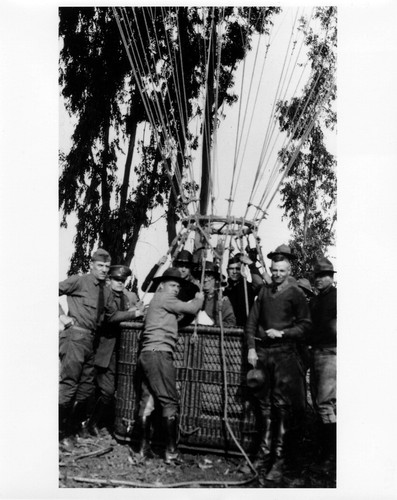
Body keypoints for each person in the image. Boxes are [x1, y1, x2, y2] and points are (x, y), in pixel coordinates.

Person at [58, 249, 143, 450]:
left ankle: (72, 430)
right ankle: (60, 434)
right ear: (91, 264)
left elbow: (112, 316)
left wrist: (135, 313)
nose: (104, 270)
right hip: (75, 337)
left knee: (86, 387)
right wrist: (61, 316)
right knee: (70, 384)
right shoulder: (79, 281)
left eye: (107, 266)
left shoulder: (105, 291)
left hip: (91, 342)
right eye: (100, 266)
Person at [245, 256, 311, 483]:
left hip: (285, 354)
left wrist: (283, 333)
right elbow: (251, 322)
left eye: (281, 271)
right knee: (263, 407)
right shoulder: (263, 292)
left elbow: (305, 326)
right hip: (263, 354)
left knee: (281, 406)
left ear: (289, 271)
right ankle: (260, 459)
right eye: (274, 270)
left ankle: (278, 461)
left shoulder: (296, 294)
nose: (276, 274)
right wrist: (251, 349)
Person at [136, 268, 204, 463]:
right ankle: (171, 452)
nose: (175, 289)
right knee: (170, 401)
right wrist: (200, 297)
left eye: (178, 286)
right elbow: (191, 309)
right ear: (162, 285)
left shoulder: (159, 303)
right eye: (172, 285)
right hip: (159, 354)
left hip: (149, 354)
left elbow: (180, 319)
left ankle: (142, 448)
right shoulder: (164, 297)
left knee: (148, 400)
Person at [87, 265, 142, 436]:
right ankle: (81, 423)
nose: (120, 283)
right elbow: (110, 318)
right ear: (109, 279)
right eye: (116, 279)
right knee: (88, 388)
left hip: (115, 351)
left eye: (123, 280)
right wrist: (133, 314)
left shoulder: (124, 298)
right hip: (98, 348)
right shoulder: (103, 295)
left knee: (107, 391)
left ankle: (92, 422)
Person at [309, 257, 337, 471]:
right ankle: (321, 451)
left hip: (330, 352)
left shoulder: (337, 298)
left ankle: (329, 456)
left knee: (326, 403)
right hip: (316, 352)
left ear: (331, 277)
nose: (319, 280)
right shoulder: (316, 300)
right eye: (317, 276)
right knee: (319, 402)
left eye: (323, 276)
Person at [194, 261, 236, 327]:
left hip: (212, 335)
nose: (205, 279)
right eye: (202, 276)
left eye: (209, 276)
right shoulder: (194, 297)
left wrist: (213, 323)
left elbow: (231, 323)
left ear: (216, 279)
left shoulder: (222, 300)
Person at [223, 254, 257, 326]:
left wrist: (251, 265)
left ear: (242, 270)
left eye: (237, 269)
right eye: (231, 269)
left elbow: (259, 285)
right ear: (227, 271)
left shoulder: (248, 287)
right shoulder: (225, 289)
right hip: (228, 328)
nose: (234, 272)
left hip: (245, 327)